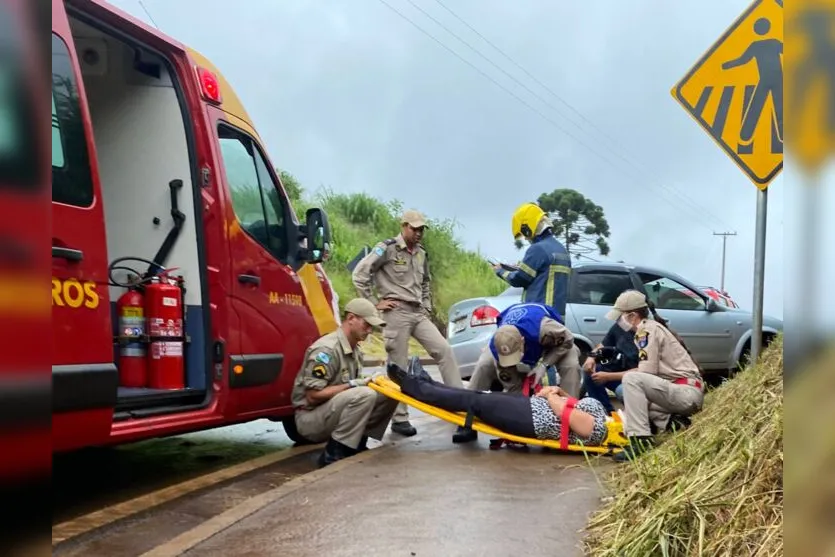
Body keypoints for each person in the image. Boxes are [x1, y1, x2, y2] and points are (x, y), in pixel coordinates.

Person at [351, 209, 463, 438]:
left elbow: (425, 283)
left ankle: (460, 405)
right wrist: (374, 304)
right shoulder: (387, 248)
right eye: (415, 228)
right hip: (396, 312)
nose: (419, 232)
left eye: (422, 228)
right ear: (404, 226)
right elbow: (360, 274)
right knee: (398, 366)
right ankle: (400, 419)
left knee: (444, 350)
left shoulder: (421, 253)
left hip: (417, 312)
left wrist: (426, 307)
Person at [388, 357, 609, 449]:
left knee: (474, 400)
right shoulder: (606, 418)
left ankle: (414, 385)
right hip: (529, 409)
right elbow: (570, 406)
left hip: (530, 420)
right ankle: (424, 382)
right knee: (478, 395)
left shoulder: (600, 429)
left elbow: (569, 417)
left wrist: (552, 397)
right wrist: (558, 390)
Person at [291, 298, 400, 468]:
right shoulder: (326, 350)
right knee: (364, 394)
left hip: (331, 410)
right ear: (351, 319)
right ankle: (334, 454)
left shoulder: (355, 348)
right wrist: (353, 384)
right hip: (310, 418)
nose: (370, 330)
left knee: (390, 392)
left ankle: (357, 443)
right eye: (367, 324)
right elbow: (312, 396)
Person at [453, 302, 582, 443]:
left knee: (571, 366)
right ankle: (466, 421)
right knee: (484, 365)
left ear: (522, 342)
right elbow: (513, 386)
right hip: (512, 340)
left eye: (514, 356)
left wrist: (543, 365)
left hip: (557, 342)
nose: (511, 362)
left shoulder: (546, 328)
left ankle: (571, 422)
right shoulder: (499, 343)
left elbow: (568, 339)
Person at [602, 290, 705, 462]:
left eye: (621, 317)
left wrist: (609, 376)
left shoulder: (646, 331)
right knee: (634, 396)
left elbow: (645, 373)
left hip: (685, 393)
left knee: (631, 382)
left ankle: (640, 441)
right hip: (683, 391)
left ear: (633, 316)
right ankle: (673, 422)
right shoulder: (650, 328)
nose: (618, 322)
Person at [494, 202, 572, 317]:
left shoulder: (538, 249)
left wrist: (500, 271)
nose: (525, 238)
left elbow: (519, 279)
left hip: (538, 317)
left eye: (524, 233)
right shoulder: (562, 250)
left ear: (528, 227)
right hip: (557, 318)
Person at [581, 320, 640, 414]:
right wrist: (591, 357)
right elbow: (602, 345)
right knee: (590, 370)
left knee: (622, 391)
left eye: (621, 315)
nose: (618, 319)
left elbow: (643, 371)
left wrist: (608, 376)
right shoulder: (620, 326)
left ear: (633, 316)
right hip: (616, 370)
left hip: (636, 380)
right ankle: (604, 413)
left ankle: (635, 417)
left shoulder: (647, 334)